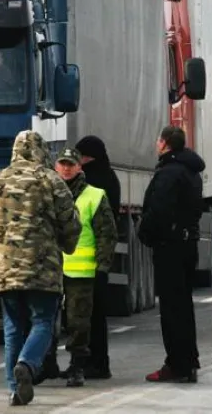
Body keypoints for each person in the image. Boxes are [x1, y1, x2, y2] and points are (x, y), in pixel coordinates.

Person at [0, 130, 81, 406]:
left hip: (4, 269)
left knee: (12, 327)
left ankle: (15, 389)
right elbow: (71, 223)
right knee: (43, 321)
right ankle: (28, 365)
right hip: (43, 267)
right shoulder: (51, 180)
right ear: (43, 151)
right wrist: (67, 245)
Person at [138, 125, 206, 383]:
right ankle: (188, 362)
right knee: (184, 306)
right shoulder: (191, 171)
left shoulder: (169, 173)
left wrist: (145, 233)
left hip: (170, 247)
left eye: (158, 140)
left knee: (171, 309)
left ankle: (177, 365)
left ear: (165, 144)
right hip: (188, 244)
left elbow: (159, 210)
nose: (156, 144)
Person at [44, 147, 117, 387]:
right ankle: (48, 363)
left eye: (71, 164)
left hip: (81, 272)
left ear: (79, 167)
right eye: (62, 164)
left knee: (78, 323)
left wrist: (102, 267)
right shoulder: (46, 194)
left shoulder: (94, 196)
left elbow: (107, 234)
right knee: (47, 320)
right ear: (56, 167)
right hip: (51, 270)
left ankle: (77, 366)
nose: (66, 168)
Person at [74, 135, 122, 378]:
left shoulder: (91, 182)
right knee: (96, 314)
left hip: (86, 258)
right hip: (99, 257)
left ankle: (94, 363)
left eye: (80, 156)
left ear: (88, 157)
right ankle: (98, 362)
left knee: (87, 315)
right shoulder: (110, 178)